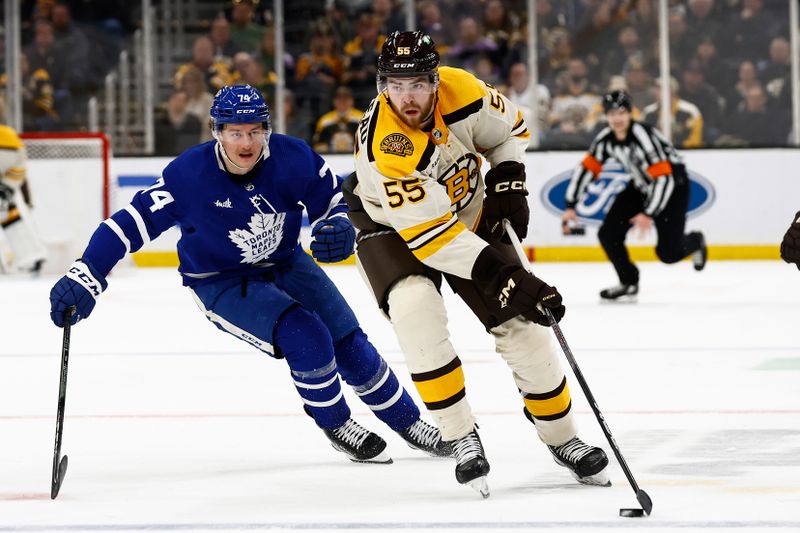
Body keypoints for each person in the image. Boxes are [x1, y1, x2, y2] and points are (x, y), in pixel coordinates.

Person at [47, 84, 450, 465]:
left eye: (255, 131)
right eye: (235, 132)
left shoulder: (293, 158)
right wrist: (87, 274)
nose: (246, 143)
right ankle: (336, 423)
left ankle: (408, 422)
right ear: (217, 132)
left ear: (267, 130)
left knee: (347, 339)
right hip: (221, 281)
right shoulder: (188, 177)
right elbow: (127, 225)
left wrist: (338, 225)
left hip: (288, 262)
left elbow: (332, 200)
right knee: (306, 335)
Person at [345, 30, 609, 497]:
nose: (408, 97)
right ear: (383, 86)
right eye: (396, 86)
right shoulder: (386, 147)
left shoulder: (463, 89)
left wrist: (508, 174)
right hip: (392, 227)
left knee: (526, 325)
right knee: (415, 312)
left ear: (435, 80)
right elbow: (430, 237)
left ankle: (563, 436)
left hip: (464, 210)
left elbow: (512, 131)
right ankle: (460, 435)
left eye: (418, 85)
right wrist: (507, 275)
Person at [562, 89, 708, 301]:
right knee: (608, 233)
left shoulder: (643, 137)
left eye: (621, 113)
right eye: (612, 114)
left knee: (668, 253)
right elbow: (586, 169)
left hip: (673, 187)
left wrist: (648, 214)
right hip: (641, 186)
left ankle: (695, 241)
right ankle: (628, 281)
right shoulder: (605, 139)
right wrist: (570, 205)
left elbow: (664, 179)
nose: (617, 119)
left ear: (630, 114)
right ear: (606, 116)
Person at [0, 124, 46, 274]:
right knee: (8, 215)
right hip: (13, 171)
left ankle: (31, 257)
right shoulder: (10, 134)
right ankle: (32, 257)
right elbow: (21, 169)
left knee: (7, 214)